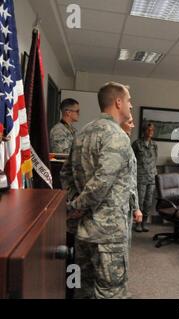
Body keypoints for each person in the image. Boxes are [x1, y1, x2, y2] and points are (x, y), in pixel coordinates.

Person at [60, 81, 139, 299]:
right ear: (118, 101)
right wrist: (76, 206)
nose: (131, 106)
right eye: (129, 101)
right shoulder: (117, 136)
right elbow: (102, 181)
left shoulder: (83, 132)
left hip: (83, 229)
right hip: (109, 234)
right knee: (110, 291)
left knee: (84, 288)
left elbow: (65, 173)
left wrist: (74, 204)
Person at [120, 114, 143, 247]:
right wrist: (136, 208)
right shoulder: (122, 145)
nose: (133, 126)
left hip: (125, 202)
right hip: (122, 204)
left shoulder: (125, 142)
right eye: (130, 122)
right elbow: (130, 181)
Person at [132, 123, 158, 232]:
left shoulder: (154, 145)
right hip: (140, 177)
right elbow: (132, 160)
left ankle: (145, 222)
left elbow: (155, 159)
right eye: (148, 130)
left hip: (151, 177)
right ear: (144, 131)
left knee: (148, 202)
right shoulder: (137, 144)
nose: (150, 132)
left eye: (152, 130)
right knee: (140, 201)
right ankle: (138, 223)